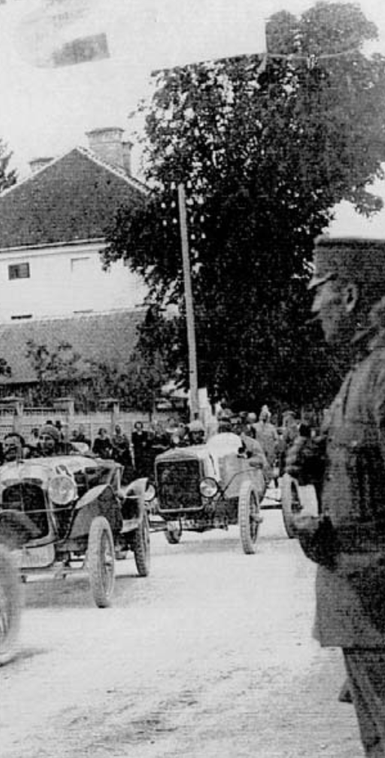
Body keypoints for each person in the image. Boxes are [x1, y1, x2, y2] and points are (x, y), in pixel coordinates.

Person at [286, 236, 385, 757]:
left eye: (318, 291)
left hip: (377, 598)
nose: (312, 306)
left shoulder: (382, 372)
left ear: (348, 296)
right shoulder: (361, 372)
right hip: (364, 601)